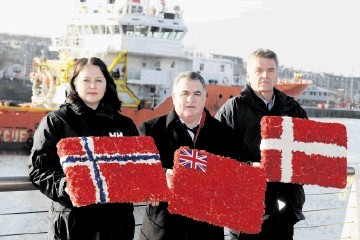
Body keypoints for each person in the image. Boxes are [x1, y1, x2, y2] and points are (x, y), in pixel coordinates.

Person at [28, 57, 138, 240]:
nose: (92, 86)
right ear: (75, 84)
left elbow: (138, 169)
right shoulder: (56, 121)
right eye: (86, 80)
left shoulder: (124, 125)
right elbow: (38, 169)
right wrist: (64, 186)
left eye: (98, 80)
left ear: (107, 84)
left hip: (116, 226)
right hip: (73, 225)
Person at [215, 48, 306, 240]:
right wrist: (251, 168)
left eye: (270, 70)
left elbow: (307, 154)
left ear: (277, 74)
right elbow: (217, 159)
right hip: (245, 212)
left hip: (284, 210)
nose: (265, 75)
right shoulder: (232, 110)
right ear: (248, 75)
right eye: (258, 70)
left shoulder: (293, 108)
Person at [138, 71, 241, 240]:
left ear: (205, 97)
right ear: (173, 96)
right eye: (184, 93)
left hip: (206, 233)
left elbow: (233, 182)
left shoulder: (225, 135)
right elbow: (136, 174)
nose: (190, 99)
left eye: (196, 94)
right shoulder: (149, 131)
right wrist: (162, 176)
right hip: (160, 233)